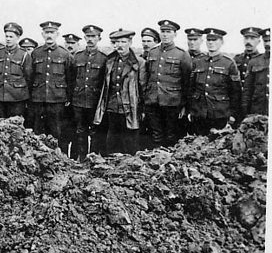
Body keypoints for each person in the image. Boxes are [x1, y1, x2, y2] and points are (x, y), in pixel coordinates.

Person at [141, 19, 192, 149]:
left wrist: (185, 106)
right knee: (155, 135)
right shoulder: (152, 52)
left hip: (172, 102)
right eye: (163, 32)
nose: (165, 35)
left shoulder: (182, 54)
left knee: (171, 136)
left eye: (168, 32)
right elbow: (147, 77)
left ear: (175, 34)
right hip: (153, 101)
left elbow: (187, 83)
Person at [94, 28, 144, 155]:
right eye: (116, 42)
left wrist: (142, 109)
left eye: (123, 42)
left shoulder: (139, 63)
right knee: (111, 143)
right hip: (111, 108)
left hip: (130, 108)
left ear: (130, 42)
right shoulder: (110, 61)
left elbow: (143, 88)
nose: (119, 45)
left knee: (129, 144)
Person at [29, 20, 74, 152]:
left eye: (52, 32)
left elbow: (70, 78)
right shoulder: (36, 53)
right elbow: (30, 77)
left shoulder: (65, 54)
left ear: (57, 34)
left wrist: (68, 98)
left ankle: (58, 159)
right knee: (38, 133)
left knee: (56, 132)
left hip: (57, 100)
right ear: (42, 34)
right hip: (38, 99)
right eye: (47, 32)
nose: (49, 35)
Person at [187, 28, 242, 133]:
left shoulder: (229, 63)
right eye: (209, 40)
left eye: (215, 40)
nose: (211, 43)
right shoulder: (198, 61)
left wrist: (233, 115)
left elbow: (236, 92)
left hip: (220, 114)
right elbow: (191, 88)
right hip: (199, 113)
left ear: (222, 42)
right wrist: (191, 110)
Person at [71, 25, 107, 158]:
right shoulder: (77, 57)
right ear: (85, 38)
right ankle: (81, 159)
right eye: (88, 36)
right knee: (80, 132)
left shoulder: (104, 58)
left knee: (95, 133)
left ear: (99, 38)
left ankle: (92, 159)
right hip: (78, 100)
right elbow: (71, 78)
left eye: (94, 37)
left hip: (95, 101)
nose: (90, 39)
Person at [0, 22, 33, 122]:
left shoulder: (24, 55)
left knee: (15, 127)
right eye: (7, 36)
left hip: (17, 98)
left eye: (11, 37)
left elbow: (29, 78)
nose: (8, 39)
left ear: (17, 38)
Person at [238, 27, 268, 117]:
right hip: (239, 102)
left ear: (259, 41)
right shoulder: (237, 59)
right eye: (246, 38)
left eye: (252, 38)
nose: (248, 41)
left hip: (255, 104)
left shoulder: (261, 60)